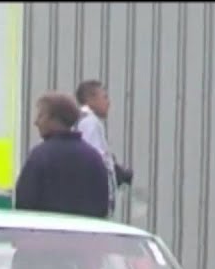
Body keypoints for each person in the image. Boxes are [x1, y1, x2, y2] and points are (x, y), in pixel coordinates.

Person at [13, 92, 109, 218]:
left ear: (55, 120)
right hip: (86, 235)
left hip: (46, 235)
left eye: (41, 116)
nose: (36, 122)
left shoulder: (40, 156)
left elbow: (24, 203)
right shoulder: (94, 158)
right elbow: (102, 205)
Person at [74, 79, 133, 217]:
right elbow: (94, 158)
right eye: (104, 97)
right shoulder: (90, 123)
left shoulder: (80, 120)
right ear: (91, 99)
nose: (108, 102)